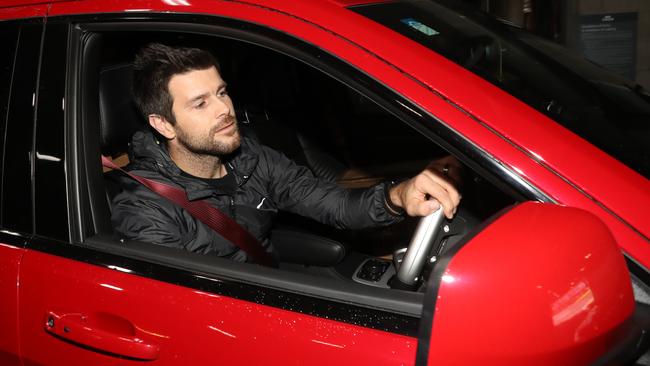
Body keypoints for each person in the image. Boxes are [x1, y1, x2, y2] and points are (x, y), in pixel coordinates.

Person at [110, 43, 461, 263]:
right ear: (164, 125)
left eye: (221, 92)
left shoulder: (253, 158)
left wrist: (397, 196)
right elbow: (183, 309)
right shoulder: (146, 211)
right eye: (201, 103)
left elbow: (334, 204)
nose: (224, 109)